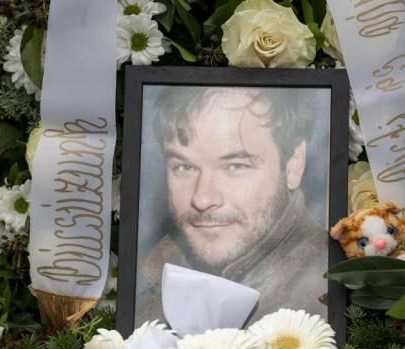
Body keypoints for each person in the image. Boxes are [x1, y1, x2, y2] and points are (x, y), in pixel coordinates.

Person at [136, 85, 329, 325]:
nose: (202, 199)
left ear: (293, 164)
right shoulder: (150, 274)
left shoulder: (328, 300)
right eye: (184, 167)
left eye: (236, 166)